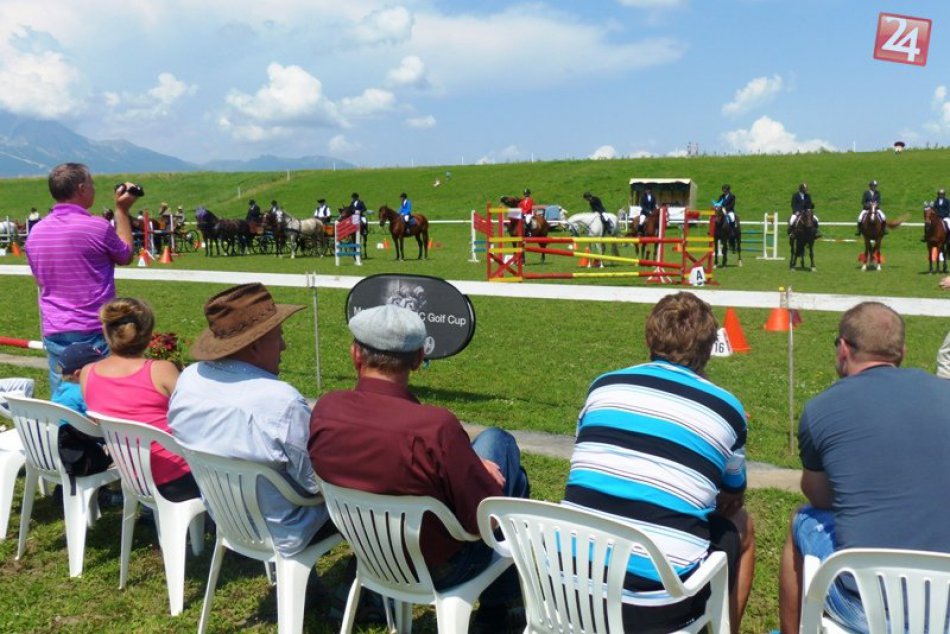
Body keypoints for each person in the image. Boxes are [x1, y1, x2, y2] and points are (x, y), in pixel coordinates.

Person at [309, 304, 530, 630]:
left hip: (369, 552)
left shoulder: (326, 410)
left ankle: (502, 603)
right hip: (442, 567)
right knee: (499, 443)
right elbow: (483, 522)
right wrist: (479, 473)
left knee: (487, 449)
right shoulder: (435, 428)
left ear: (355, 355)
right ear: (417, 360)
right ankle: (501, 605)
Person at [563, 292, 755, 634]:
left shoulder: (603, 386)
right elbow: (733, 493)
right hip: (651, 608)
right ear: (710, 348)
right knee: (741, 524)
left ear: (649, 336)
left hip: (567, 589)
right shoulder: (728, 409)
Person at [777, 302, 950, 633]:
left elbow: (819, 497)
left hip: (868, 609)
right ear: (902, 351)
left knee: (803, 521)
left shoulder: (820, 409)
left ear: (843, 348)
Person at [169, 283, 334, 556]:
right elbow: (313, 482)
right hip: (285, 528)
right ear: (255, 346)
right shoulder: (280, 401)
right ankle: (369, 585)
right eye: (278, 336)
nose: (284, 345)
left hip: (225, 515)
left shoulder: (189, 379)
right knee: (363, 506)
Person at [24, 162, 140, 394]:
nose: (94, 189)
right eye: (91, 184)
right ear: (81, 188)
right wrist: (122, 212)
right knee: (99, 397)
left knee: (65, 396)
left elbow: (41, 279)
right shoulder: (96, 227)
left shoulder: (36, 232)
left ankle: (65, 430)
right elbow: (126, 254)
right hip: (93, 326)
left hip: (55, 327)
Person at [81, 298, 200, 502]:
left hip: (132, 475)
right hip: (177, 478)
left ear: (106, 332)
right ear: (148, 334)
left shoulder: (87, 373)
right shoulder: (161, 370)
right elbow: (196, 415)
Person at [55, 343, 112, 481]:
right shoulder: (83, 393)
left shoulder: (60, 390)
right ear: (79, 374)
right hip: (84, 459)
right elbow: (105, 420)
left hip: (61, 453)